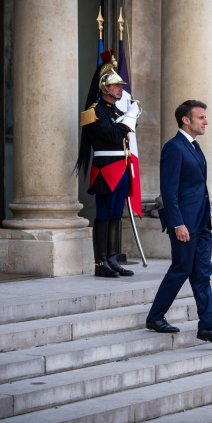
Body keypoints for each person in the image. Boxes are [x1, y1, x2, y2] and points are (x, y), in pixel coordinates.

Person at [146, 100, 212, 349]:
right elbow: (168, 190)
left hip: (202, 221)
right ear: (186, 120)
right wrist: (177, 224)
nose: (206, 121)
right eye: (201, 117)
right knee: (182, 269)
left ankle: (208, 326)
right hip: (185, 223)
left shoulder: (193, 146)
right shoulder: (174, 147)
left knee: (202, 273)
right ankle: (155, 316)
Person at [76, 50, 140, 278]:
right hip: (106, 169)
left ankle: (112, 258)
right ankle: (100, 262)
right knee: (104, 214)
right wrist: (130, 117)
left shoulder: (114, 110)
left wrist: (128, 116)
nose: (121, 89)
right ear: (104, 88)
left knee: (116, 214)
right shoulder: (94, 113)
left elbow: (124, 134)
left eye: (121, 86)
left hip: (121, 166)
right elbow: (114, 136)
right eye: (116, 86)